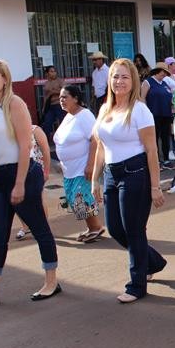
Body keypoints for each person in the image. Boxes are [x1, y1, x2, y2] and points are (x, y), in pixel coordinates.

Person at [0, 58, 60, 309]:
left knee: (39, 228)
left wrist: (19, 184)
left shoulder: (14, 104)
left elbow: (25, 145)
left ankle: (51, 281)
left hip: (23, 174)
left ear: (5, 79)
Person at [91, 58, 167, 304]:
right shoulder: (105, 110)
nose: (119, 81)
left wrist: (155, 187)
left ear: (133, 80)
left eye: (124, 77)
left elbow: (152, 151)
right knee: (115, 228)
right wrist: (95, 181)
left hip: (136, 174)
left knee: (134, 231)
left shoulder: (139, 110)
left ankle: (137, 285)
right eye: (115, 76)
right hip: (111, 174)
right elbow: (101, 148)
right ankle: (153, 261)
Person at [53, 84, 105, 242]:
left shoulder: (85, 115)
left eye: (65, 97)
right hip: (69, 168)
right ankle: (91, 227)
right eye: (60, 97)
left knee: (81, 197)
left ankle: (96, 227)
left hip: (81, 166)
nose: (61, 100)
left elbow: (95, 139)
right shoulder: (69, 116)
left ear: (76, 98)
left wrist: (91, 164)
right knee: (75, 199)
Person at [15, 125, 51, 241]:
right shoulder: (10, 131)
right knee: (17, 201)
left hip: (35, 169)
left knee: (38, 198)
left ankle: (44, 226)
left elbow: (46, 151)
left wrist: (46, 171)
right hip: (17, 170)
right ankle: (25, 227)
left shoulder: (35, 130)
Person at [140, 61, 175, 169]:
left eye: (166, 72)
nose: (164, 74)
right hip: (153, 115)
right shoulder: (148, 82)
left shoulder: (165, 84)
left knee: (165, 137)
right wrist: (146, 113)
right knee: (154, 139)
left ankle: (166, 160)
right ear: (157, 71)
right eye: (162, 72)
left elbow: (170, 98)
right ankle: (156, 161)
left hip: (166, 115)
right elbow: (142, 98)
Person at [40, 65, 65, 140]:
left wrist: (52, 92)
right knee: (47, 123)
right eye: (51, 71)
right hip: (50, 106)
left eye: (54, 71)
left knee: (63, 122)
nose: (54, 73)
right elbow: (45, 97)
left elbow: (64, 91)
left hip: (60, 104)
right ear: (47, 74)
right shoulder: (46, 84)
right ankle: (46, 141)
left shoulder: (60, 81)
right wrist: (44, 107)